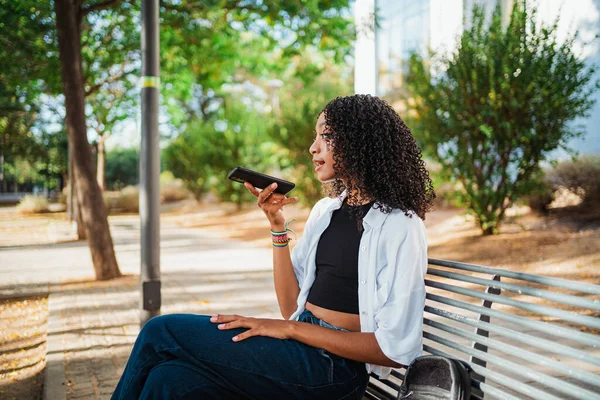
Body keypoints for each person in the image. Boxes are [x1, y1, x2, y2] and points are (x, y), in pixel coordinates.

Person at [111, 94, 435, 399]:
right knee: (170, 378)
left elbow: (393, 350)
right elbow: (290, 304)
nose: (313, 147)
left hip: (333, 370)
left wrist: (290, 330)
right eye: (315, 136)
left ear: (360, 142)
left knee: (160, 331)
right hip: (299, 348)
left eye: (327, 136)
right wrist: (277, 227)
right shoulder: (326, 213)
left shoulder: (400, 226)